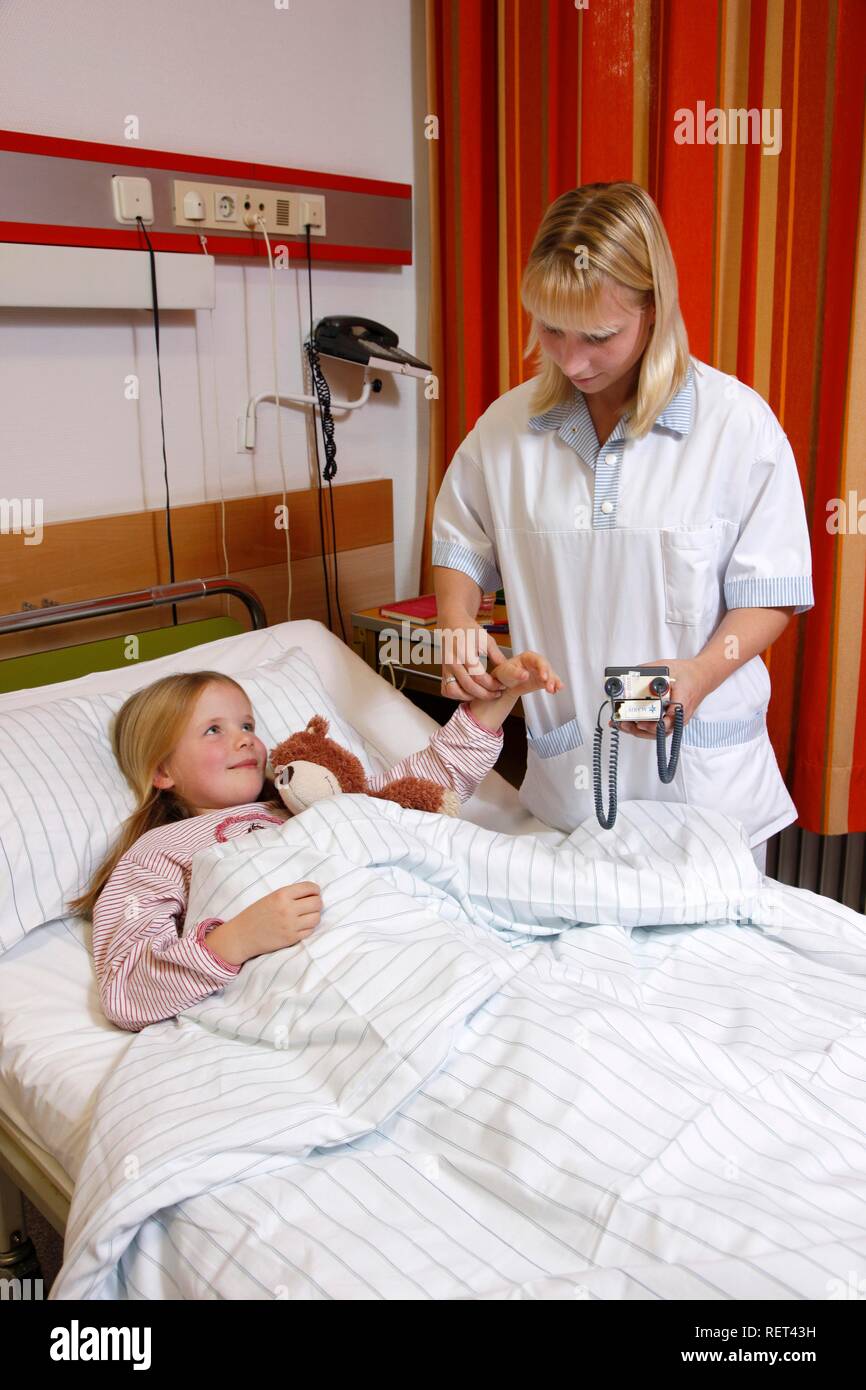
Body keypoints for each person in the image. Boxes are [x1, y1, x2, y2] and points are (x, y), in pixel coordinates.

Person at [432, 182, 814, 874]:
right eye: (551, 329)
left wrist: (700, 673)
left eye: (599, 337)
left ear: (653, 309)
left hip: (704, 795)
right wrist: (458, 620)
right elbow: (463, 539)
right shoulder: (507, 429)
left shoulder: (736, 427)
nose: (572, 361)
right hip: (568, 794)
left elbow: (773, 592)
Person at [69, 653, 563, 1031]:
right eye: (213, 731)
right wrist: (236, 938)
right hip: (327, 985)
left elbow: (408, 793)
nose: (244, 739)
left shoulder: (303, 800)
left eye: (247, 726)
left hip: (417, 935)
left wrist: (497, 700)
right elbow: (127, 987)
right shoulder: (161, 852)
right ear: (162, 770)